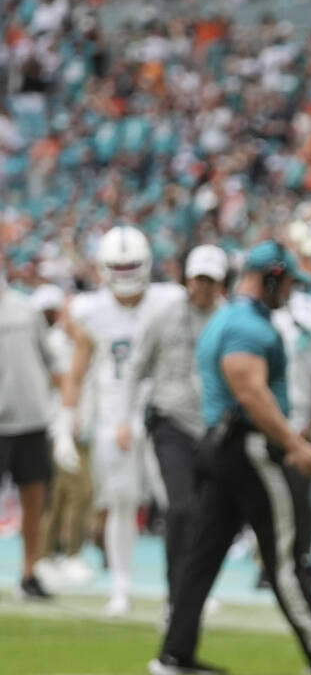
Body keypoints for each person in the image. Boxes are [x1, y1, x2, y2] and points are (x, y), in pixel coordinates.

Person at [151, 241, 311, 675]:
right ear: (272, 277)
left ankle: (175, 653)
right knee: (285, 556)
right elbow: (249, 390)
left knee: (204, 555)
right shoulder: (247, 326)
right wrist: (294, 444)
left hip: (220, 447)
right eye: (288, 282)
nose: (291, 292)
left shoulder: (227, 318)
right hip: (249, 447)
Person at [61, 226, 185, 616]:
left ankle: (182, 588)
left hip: (163, 413)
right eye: (120, 265)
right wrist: (65, 424)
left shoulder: (170, 301)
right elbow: (76, 369)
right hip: (113, 419)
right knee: (120, 502)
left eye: (133, 264)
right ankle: (121, 586)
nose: (127, 272)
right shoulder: (89, 310)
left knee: (176, 504)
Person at [125, 244, 228, 616]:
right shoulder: (165, 314)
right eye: (198, 279)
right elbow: (137, 366)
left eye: (210, 280)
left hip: (213, 427)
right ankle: (175, 598)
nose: (202, 287)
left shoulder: (226, 320)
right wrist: (126, 418)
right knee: (181, 509)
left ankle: (192, 595)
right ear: (187, 279)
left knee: (206, 516)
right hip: (169, 420)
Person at [33, 284, 96, 585]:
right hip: (57, 428)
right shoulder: (54, 343)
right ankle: (69, 554)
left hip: (82, 429)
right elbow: (57, 381)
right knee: (80, 491)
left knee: (58, 496)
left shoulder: (88, 343)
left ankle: (46, 557)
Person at [0, 271, 57, 599]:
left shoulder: (26, 310)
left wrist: (66, 409)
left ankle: (29, 572)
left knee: (34, 498)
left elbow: (50, 359)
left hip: (31, 419)